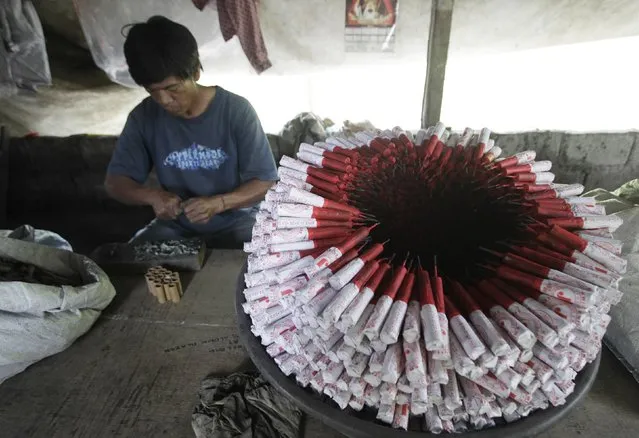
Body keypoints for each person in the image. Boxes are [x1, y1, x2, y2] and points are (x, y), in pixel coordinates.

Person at [104, 16, 277, 248]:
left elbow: (266, 181)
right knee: (130, 255)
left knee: (271, 251)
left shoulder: (236, 111)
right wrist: (153, 196)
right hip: (178, 227)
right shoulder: (143, 117)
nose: (163, 100)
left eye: (172, 88)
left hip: (239, 221)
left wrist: (219, 203)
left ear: (195, 72)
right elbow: (115, 182)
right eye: (152, 91)